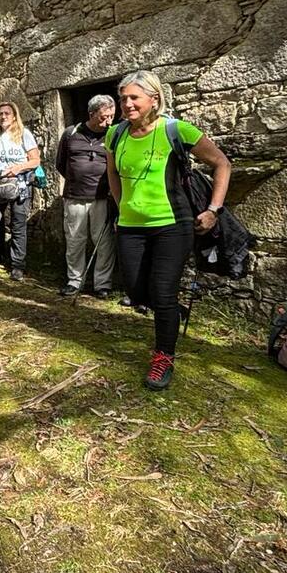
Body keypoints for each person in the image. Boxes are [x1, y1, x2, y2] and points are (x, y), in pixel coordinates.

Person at [106, 70, 230, 390]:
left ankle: (163, 357)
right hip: (130, 226)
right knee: (135, 291)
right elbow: (113, 175)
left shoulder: (176, 130)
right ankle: (172, 312)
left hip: (173, 225)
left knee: (162, 292)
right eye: (123, 98)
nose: (127, 104)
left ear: (154, 99)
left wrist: (213, 210)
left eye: (134, 98)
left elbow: (222, 163)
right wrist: (122, 209)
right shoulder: (115, 134)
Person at [57, 95, 117, 298]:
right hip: (74, 197)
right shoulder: (71, 133)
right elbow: (60, 163)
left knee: (104, 242)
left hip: (102, 198)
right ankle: (74, 281)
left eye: (111, 116)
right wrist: (77, 179)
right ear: (91, 114)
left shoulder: (112, 135)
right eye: (104, 117)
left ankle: (102, 284)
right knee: (75, 240)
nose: (108, 121)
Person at [0, 102, 40, 281]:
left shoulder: (24, 134)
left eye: (7, 113)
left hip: (20, 185)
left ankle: (17, 266)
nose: (3, 116)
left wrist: (18, 168)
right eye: (0, 114)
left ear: (14, 116)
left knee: (18, 226)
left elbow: (35, 160)